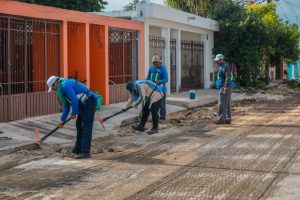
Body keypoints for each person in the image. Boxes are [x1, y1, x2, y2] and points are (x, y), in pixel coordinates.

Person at [46, 76, 97, 159]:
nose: (53, 89)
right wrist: (62, 120)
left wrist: (74, 112)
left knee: (86, 127)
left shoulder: (65, 85)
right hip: (83, 104)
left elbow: (74, 99)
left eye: (53, 87)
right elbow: (66, 106)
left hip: (89, 101)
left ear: (55, 83)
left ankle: (85, 152)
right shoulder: (61, 88)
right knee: (79, 125)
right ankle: (78, 149)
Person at [146, 54, 168, 123]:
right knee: (155, 105)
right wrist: (146, 81)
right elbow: (148, 77)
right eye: (154, 62)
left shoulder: (163, 68)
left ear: (160, 62)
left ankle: (162, 118)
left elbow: (166, 79)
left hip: (161, 90)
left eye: (156, 62)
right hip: (153, 90)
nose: (155, 64)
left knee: (162, 105)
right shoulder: (151, 69)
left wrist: (159, 82)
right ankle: (156, 117)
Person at [214, 54, 232, 125]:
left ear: (221, 60)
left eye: (217, 61)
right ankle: (228, 119)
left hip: (224, 86)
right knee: (227, 103)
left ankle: (221, 120)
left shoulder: (225, 66)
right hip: (226, 86)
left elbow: (228, 76)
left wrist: (226, 86)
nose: (216, 62)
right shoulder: (223, 65)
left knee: (222, 103)